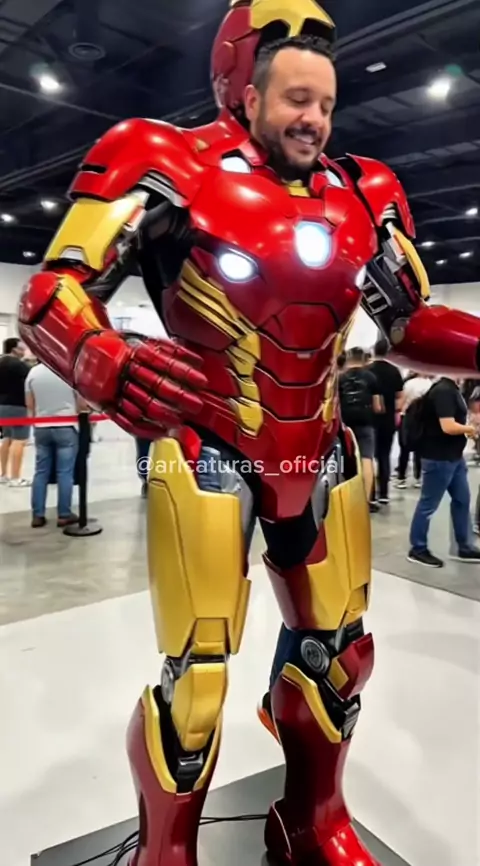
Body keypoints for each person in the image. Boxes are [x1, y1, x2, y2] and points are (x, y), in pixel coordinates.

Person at [18, 3, 480, 864]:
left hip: (321, 450)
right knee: (195, 680)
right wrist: (103, 358)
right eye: (297, 99)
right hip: (209, 448)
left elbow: (409, 320)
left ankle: (312, 820)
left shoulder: (363, 191)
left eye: (326, 104)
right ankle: (167, 850)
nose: (315, 119)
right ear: (243, 88)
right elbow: (54, 293)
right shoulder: (164, 160)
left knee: (340, 656)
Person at [408, 376, 480, 567]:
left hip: (453, 456)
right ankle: (418, 548)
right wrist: (471, 429)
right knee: (428, 504)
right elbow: (447, 426)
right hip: (439, 457)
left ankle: (464, 546)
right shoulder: (444, 391)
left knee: (462, 500)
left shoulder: (451, 389)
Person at [25, 363, 86, 528]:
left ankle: (38, 515)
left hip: (41, 427)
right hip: (66, 426)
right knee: (65, 472)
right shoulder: (69, 372)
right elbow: (81, 404)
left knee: (41, 472)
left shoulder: (33, 373)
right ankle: (64, 514)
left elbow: (29, 404)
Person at [339, 347, 382, 509]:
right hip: (365, 421)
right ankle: (366, 500)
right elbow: (377, 406)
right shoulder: (371, 377)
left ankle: (345, 499)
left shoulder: (341, 378)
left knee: (346, 459)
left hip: (346, 422)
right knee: (367, 459)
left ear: (349, 358)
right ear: (364, 359)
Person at [369, 339, 404, 504]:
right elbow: (400, 397)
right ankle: (384, 493)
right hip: (388, 419)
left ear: (374, 351)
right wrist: (396, 411)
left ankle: (370, 494)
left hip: (370, 419)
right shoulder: (394, 371)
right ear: (388, 353)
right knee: (384, 455)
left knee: (369, 456)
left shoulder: (367, 370)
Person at [0, 337, 31, 487]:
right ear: (14, 349)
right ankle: (15, 477)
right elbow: (31, 380)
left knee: (7, 438)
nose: (24, 351)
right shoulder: (19, 365)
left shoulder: (1, 362)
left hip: (2, 405)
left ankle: (3, 475)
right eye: (21, 348)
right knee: (20, 440)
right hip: (17, 406)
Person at [396, 372, 432, 488]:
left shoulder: (409, 384)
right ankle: (418, 478)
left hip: (407, 418)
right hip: (423, 420)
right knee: (420, 450)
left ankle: (402, 478)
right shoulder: (430, 384)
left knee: (404, 449)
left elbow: (401, 403)